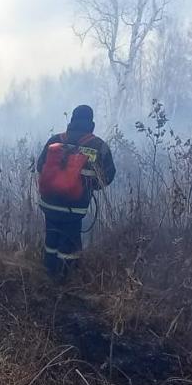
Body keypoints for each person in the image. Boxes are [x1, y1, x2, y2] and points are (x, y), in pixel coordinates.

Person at [36, 105, 116, 280]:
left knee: (51, 239)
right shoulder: (97, 146)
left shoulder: (55, 140)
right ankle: (66, 282)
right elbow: (108, 176)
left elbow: (39, 166)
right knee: (69, 245)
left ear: (72, 120)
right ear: (91, 123)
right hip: (74, 207)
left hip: (48, 203)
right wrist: (90, 185)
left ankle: (47, 276)